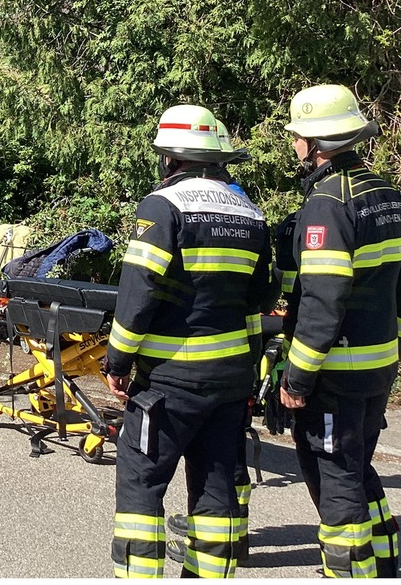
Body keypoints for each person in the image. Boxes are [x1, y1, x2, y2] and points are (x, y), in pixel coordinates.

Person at [107, 105, 271, 578]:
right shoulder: (249, 211)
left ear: (170, 158)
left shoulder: (162, 206)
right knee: (216, 491)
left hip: (168, 383)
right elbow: (261, 297)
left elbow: (138, 293)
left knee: (141, 484)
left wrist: (117, 361)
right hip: (230, 381)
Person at [277, 84, 401, 578]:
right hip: (379, 366)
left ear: (315, 144)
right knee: (357, 464)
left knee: (334, 473)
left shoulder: (327, 203)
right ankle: (383, 561)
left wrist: (297, 378)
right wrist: (397, 342)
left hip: (334, 372)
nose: (294, 144)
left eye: (297, 136)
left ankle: (347, 571)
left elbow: (323, 300)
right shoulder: (385, 193)